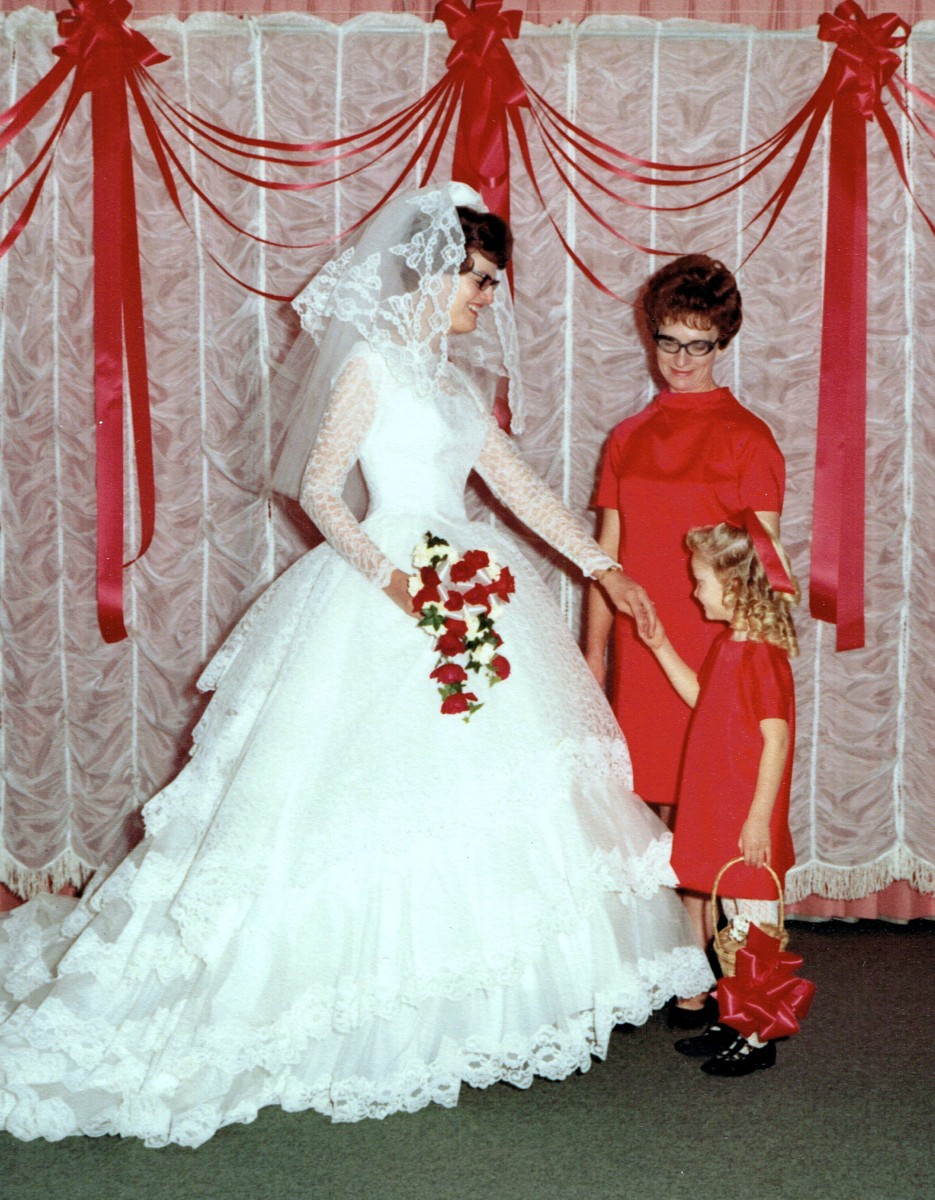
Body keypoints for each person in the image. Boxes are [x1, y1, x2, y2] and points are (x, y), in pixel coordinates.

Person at [0, 183, 712, 1147]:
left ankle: (475, 1007)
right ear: (434, 271)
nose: (487, 298)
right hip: (387, 586)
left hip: (468, 585)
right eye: (478, 279)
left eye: (491, 282)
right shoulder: (371, 364)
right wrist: (397, 583)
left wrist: (604, 568)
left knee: (492, 790)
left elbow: (516, 487)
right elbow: (318, 490)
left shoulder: (455, 385)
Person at [585, 254, 785, 1026]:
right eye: (667, 341)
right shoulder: (627, 437)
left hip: (711, 650)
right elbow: (605, 557)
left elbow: (764, 566)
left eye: (697, 345)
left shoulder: (748, 439)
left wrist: (756, 664)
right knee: (653, 816)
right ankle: (681, 967)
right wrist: (594, 655)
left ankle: (714, 980)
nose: (678, 359)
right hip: (644, 649)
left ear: (722, 342)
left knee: (708, 817)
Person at [639, 515, 798, 1076]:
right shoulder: (730, 646)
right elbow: (701, 697)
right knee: (734, 924)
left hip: (745, 815)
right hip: (720, 807)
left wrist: (758, 820)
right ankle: (736, 1021)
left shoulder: (763, 656)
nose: (694, 590)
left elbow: (776, 740)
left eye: (701, 580)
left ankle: (758, 1037)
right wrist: (660, 646)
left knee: (754, 930)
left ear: (734, 585)